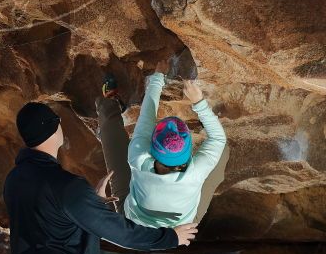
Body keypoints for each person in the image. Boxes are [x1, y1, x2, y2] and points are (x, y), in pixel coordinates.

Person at [3, 102, 197, 254]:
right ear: (54, 127)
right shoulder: (68, 186)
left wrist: (90, 206)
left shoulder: (14, 180)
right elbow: (121, 233)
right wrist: (171, 237)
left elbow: (50, 224)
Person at [97, 59, 229, 227]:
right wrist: (199, 104)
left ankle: (109, 100)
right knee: (221, 152)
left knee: (111, 135)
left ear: (152, 148)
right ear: (187, 151)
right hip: (180, 228)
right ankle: (109, 102)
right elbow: (218, 139)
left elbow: (147, 116)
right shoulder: (192, 172)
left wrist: (159, 76)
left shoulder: (139, 156)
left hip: (135, 222)